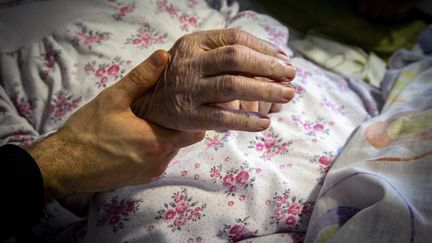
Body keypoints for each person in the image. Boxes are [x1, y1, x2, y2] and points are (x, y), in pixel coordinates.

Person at [0, 29, 296, 241]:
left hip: (307, 131)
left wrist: (254, 66)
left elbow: (257, 26)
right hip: (174, 207)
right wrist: (141, 114)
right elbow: (37, 210)